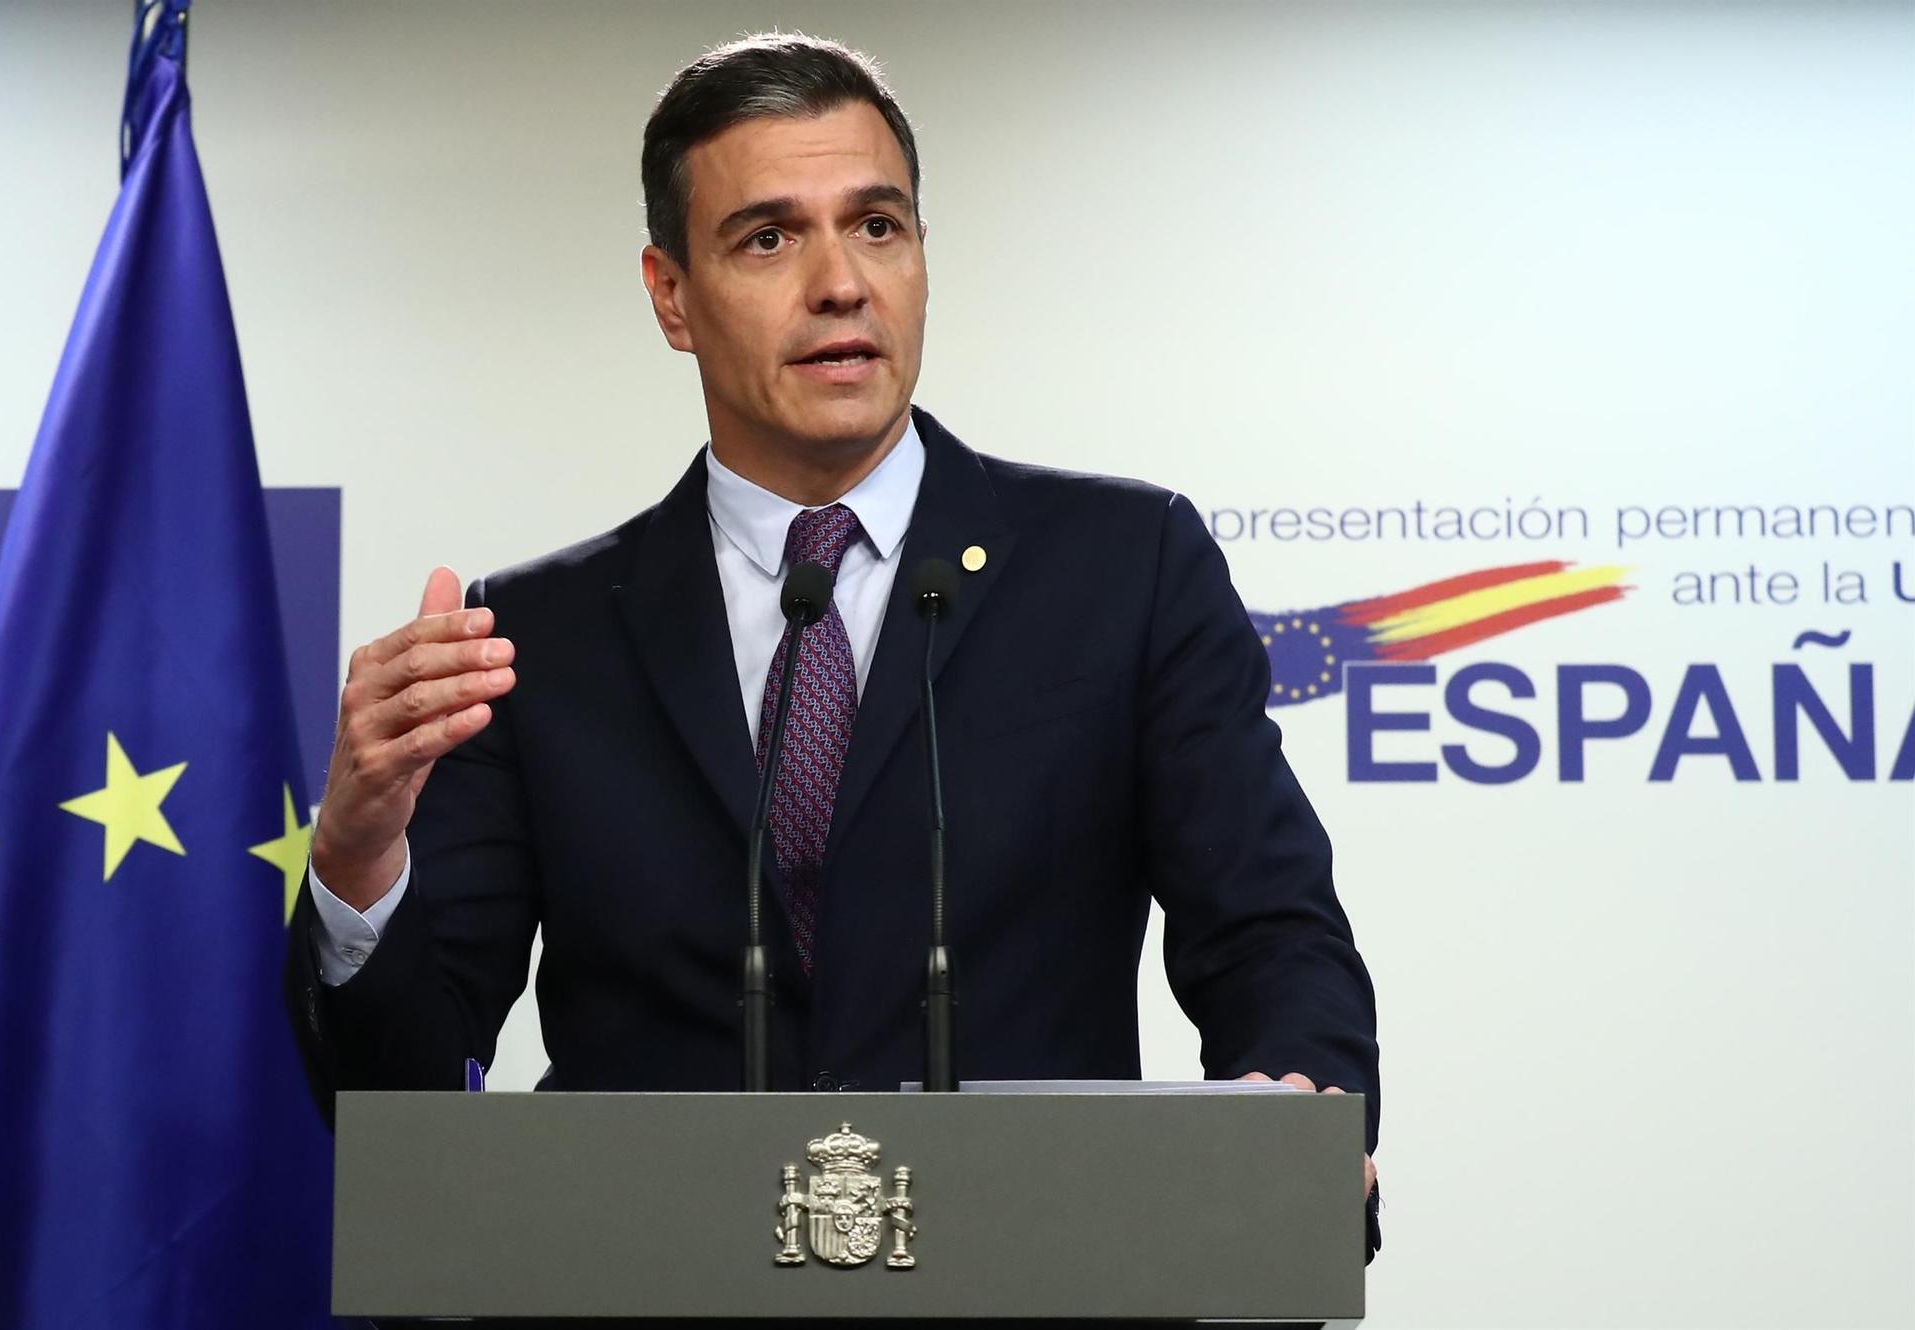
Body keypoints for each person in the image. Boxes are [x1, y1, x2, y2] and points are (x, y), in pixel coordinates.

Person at [285, 32, 1381, 1254]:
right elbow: (407, 1097)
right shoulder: (537, 638)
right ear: (669, 295)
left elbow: (1269, 931)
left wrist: (1296, 1105)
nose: (841, 283)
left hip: (1035, 1278)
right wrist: (358, 858)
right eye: (767, 237)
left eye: (877, 226)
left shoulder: (1125, 568)